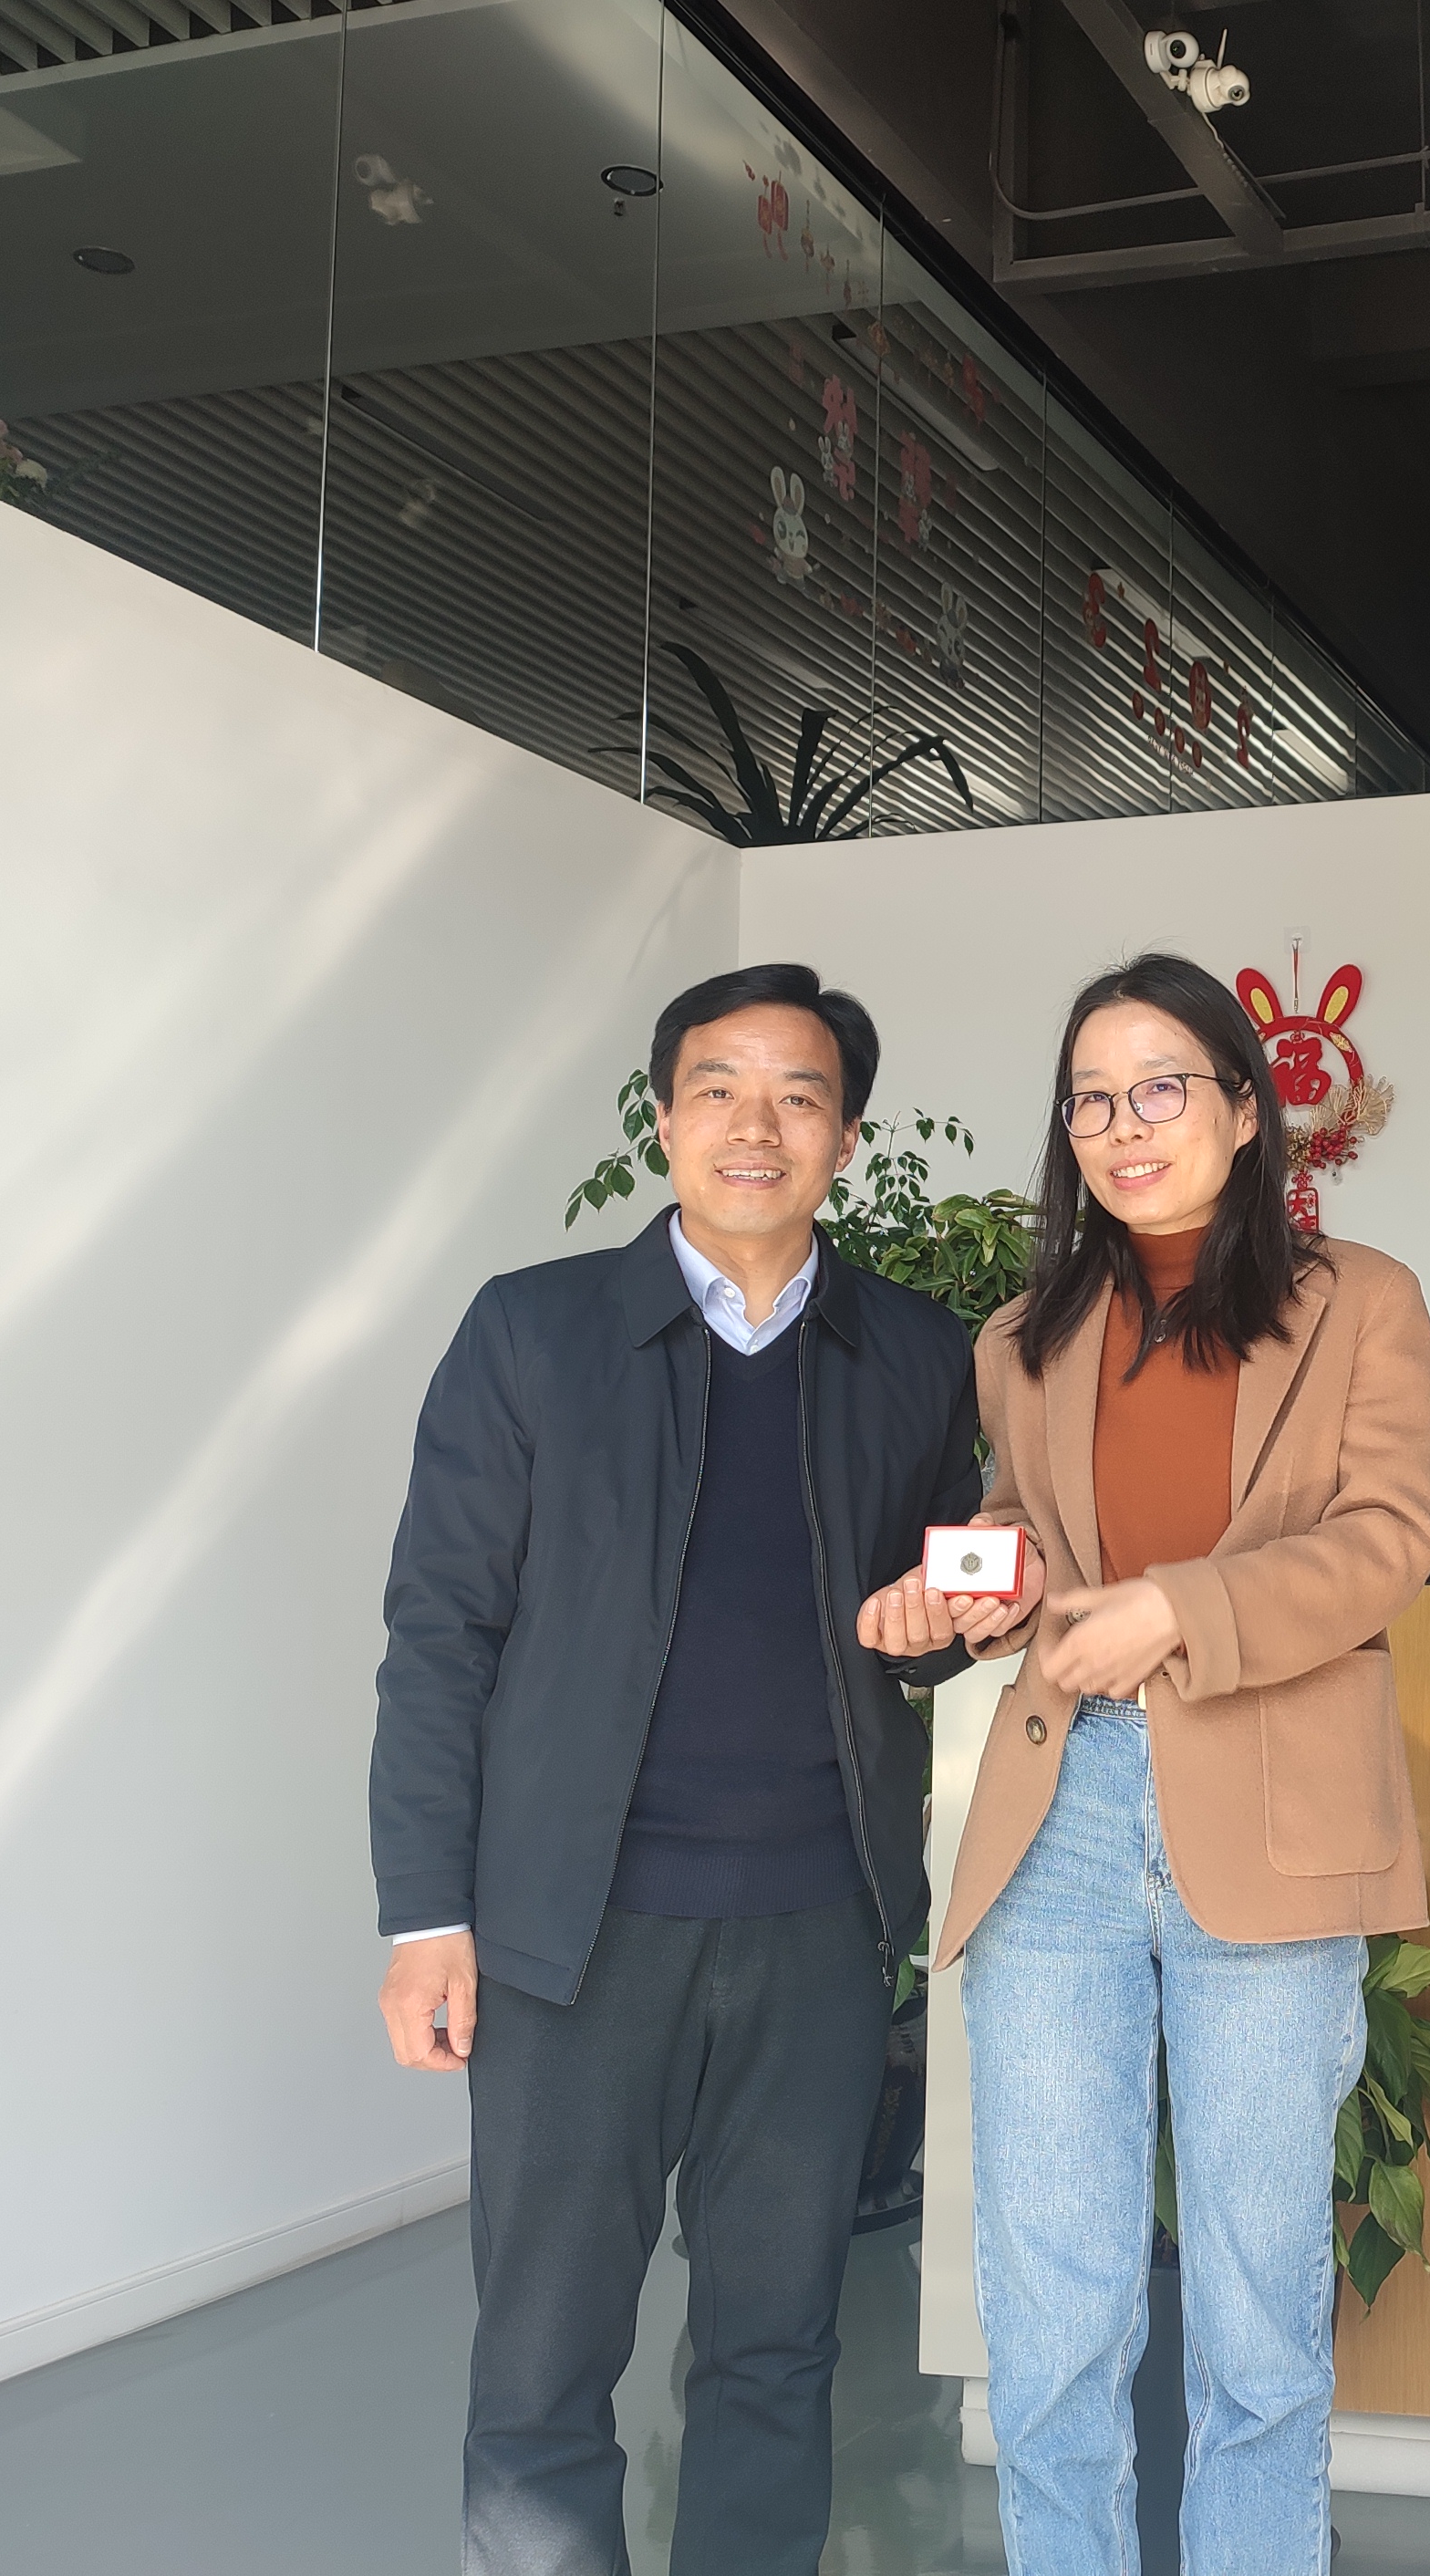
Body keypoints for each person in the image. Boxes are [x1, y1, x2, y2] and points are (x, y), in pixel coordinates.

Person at [368, 963, 984, 2576]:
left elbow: (920, 1630)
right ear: (662, 1119)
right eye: (719, 1089)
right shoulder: (533, 1332)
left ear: (846, 1136)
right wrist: (426, 1917)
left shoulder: (918, 1354)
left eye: (798, 1096)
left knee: (776, 2353)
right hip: (574, 1937)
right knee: (542, 2366)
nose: (755, 1125)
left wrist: (950, 1626)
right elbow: (438, 1635)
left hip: (816, 1930)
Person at [857, 951, 1430, 2576]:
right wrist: (969, 1591)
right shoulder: (1022, 1335)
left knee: (1260, 2318)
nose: (1124, 1126)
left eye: (1162, 1089)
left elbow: (1390, 1538)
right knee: (1053, 2304)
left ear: (1245, 1111)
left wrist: (1182, 1609)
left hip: (1273, 1812)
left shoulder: (1361, 1301)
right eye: (1092, 1100)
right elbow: (1027, 1533)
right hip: (1060, 1812)